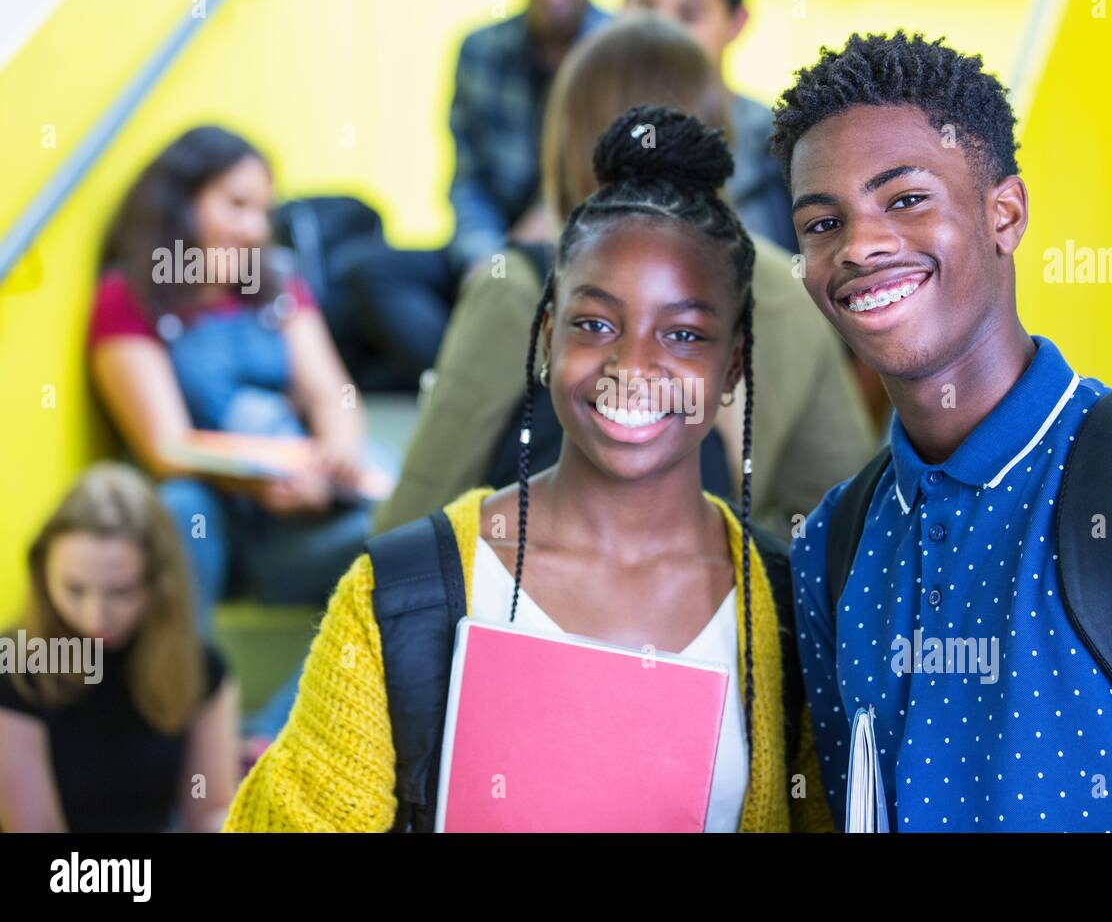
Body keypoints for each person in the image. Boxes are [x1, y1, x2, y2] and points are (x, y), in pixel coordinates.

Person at [224, 107, 833, 833]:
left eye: (683, 334)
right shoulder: (404, 598)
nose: (632, 366)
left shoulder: (793, 622)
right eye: (596, 324)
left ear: (731, 366)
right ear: (547, 336)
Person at [772, 31, 1112, 831]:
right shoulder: (834, 544)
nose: (861, 245)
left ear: (1004, 213)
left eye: (906, 199)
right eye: (821, 222)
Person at [374, 12, 873, 537]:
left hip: (525, 608)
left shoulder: (523, 287)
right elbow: (836, 518)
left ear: (567, 139)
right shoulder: (786, 288)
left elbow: (410, 522)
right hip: (718, 604)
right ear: (717, 133)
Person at [90, 126, 386, 738]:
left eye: (262, 211)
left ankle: (270, 733)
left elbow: (335, 395)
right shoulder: (129, 298)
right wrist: (268, 474)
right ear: (180, 202)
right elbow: (165, 445)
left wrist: (333, 455)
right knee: (179, 503)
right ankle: (181, 723)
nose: (254, 228)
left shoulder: (274, 284)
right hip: (211, 537)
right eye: (235, 204)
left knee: (409, 538)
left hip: (298, 523)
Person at [340, 0, 609, 390]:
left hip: (575, 257)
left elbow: (595, 184)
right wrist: (483, 260)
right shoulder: (481, 49)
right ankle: (480, 377)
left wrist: (517, 257)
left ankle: (462, 378)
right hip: (492, 250)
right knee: (364, 271)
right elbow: (467, 179)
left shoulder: (615, 53)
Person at [0, 464, 238, 832]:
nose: (96, 617)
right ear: (42, 572)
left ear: (160, 582)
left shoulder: (200, 667)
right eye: (74, 589)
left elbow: (207, 815)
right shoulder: (14, 665)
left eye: (121, 592)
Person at [626, 0, 797, 252]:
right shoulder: (591, 122)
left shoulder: (778, 145)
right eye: (646, 7)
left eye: (690, 14)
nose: (660, 32)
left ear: (737, 23)